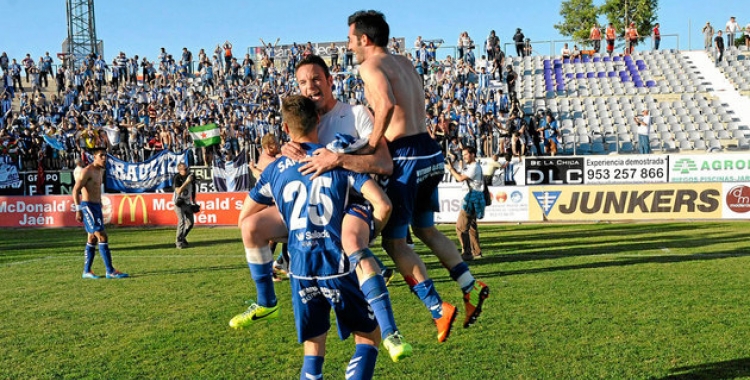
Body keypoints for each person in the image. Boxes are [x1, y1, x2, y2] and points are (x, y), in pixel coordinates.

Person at [231, 55, 411, 362]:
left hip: (350, 204)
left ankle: (389, 327)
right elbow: (271, 166)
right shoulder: (301, 119)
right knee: (250, 226)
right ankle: (266, 300)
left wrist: (338, 159)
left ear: (330, 81)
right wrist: (275, 155)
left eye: (315, 79)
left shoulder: (354, 115)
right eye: (302, 82)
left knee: (350, 330)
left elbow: (383, 164)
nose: (309, 86)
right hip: (314, 210)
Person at [345, 10, 489, 338]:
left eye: (351, 39)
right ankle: (470, 286)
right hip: (429, 151)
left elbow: (385, 104)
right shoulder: (405, 62)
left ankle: (439, 308)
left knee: (394, 242)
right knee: (426, 229)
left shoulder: (370, 65)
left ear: (364, 39)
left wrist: (370, 145)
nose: (350, 45)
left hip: (406, 155)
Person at [242, 95, 389, 379]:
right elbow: (382, 204)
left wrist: (295, 227)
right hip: (337, 261)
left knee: (313, 348)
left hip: (299, 267)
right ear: (319, 120)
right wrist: (367, 237)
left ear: (286, 129)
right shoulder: (337, 162)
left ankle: (265, 300)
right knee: (369, 337)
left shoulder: (274, 170)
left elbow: (245, 219)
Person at [72, 147, 128, 279]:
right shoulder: (87, 171)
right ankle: (110, 271)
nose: (104, 158)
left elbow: (95, 189)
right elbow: (75, 190)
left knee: (92, 237)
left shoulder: (99, 171)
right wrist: (78, 209)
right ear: (94, 157)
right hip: (88, 207)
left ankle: (87, 271)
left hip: (96, 207)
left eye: (105, 156)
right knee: (102, 236)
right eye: (101, 155)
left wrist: (100, 202)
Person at [447, 147, 484, 261]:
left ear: (473, 154)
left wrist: (450, 169)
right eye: (463, 155)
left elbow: (460, 178)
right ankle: (476, 252)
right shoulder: (472, 167)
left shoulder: (474, 167)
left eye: (466, 154)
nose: (464, 157)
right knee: (471, 227)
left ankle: (467, 253)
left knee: (461, 227)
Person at [173, 162, 197, 249]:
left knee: (190, 223)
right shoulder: (177, 177)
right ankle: (178, 242)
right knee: (182, 221)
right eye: (185, 169)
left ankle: (182, 237)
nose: (187, 170)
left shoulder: (190, 176)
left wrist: (194, 201)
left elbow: (193, 188)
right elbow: (178, 191)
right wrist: (187, 182)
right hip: (178, 203)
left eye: (187, 168)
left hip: (187, 202)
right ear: (180, 170)